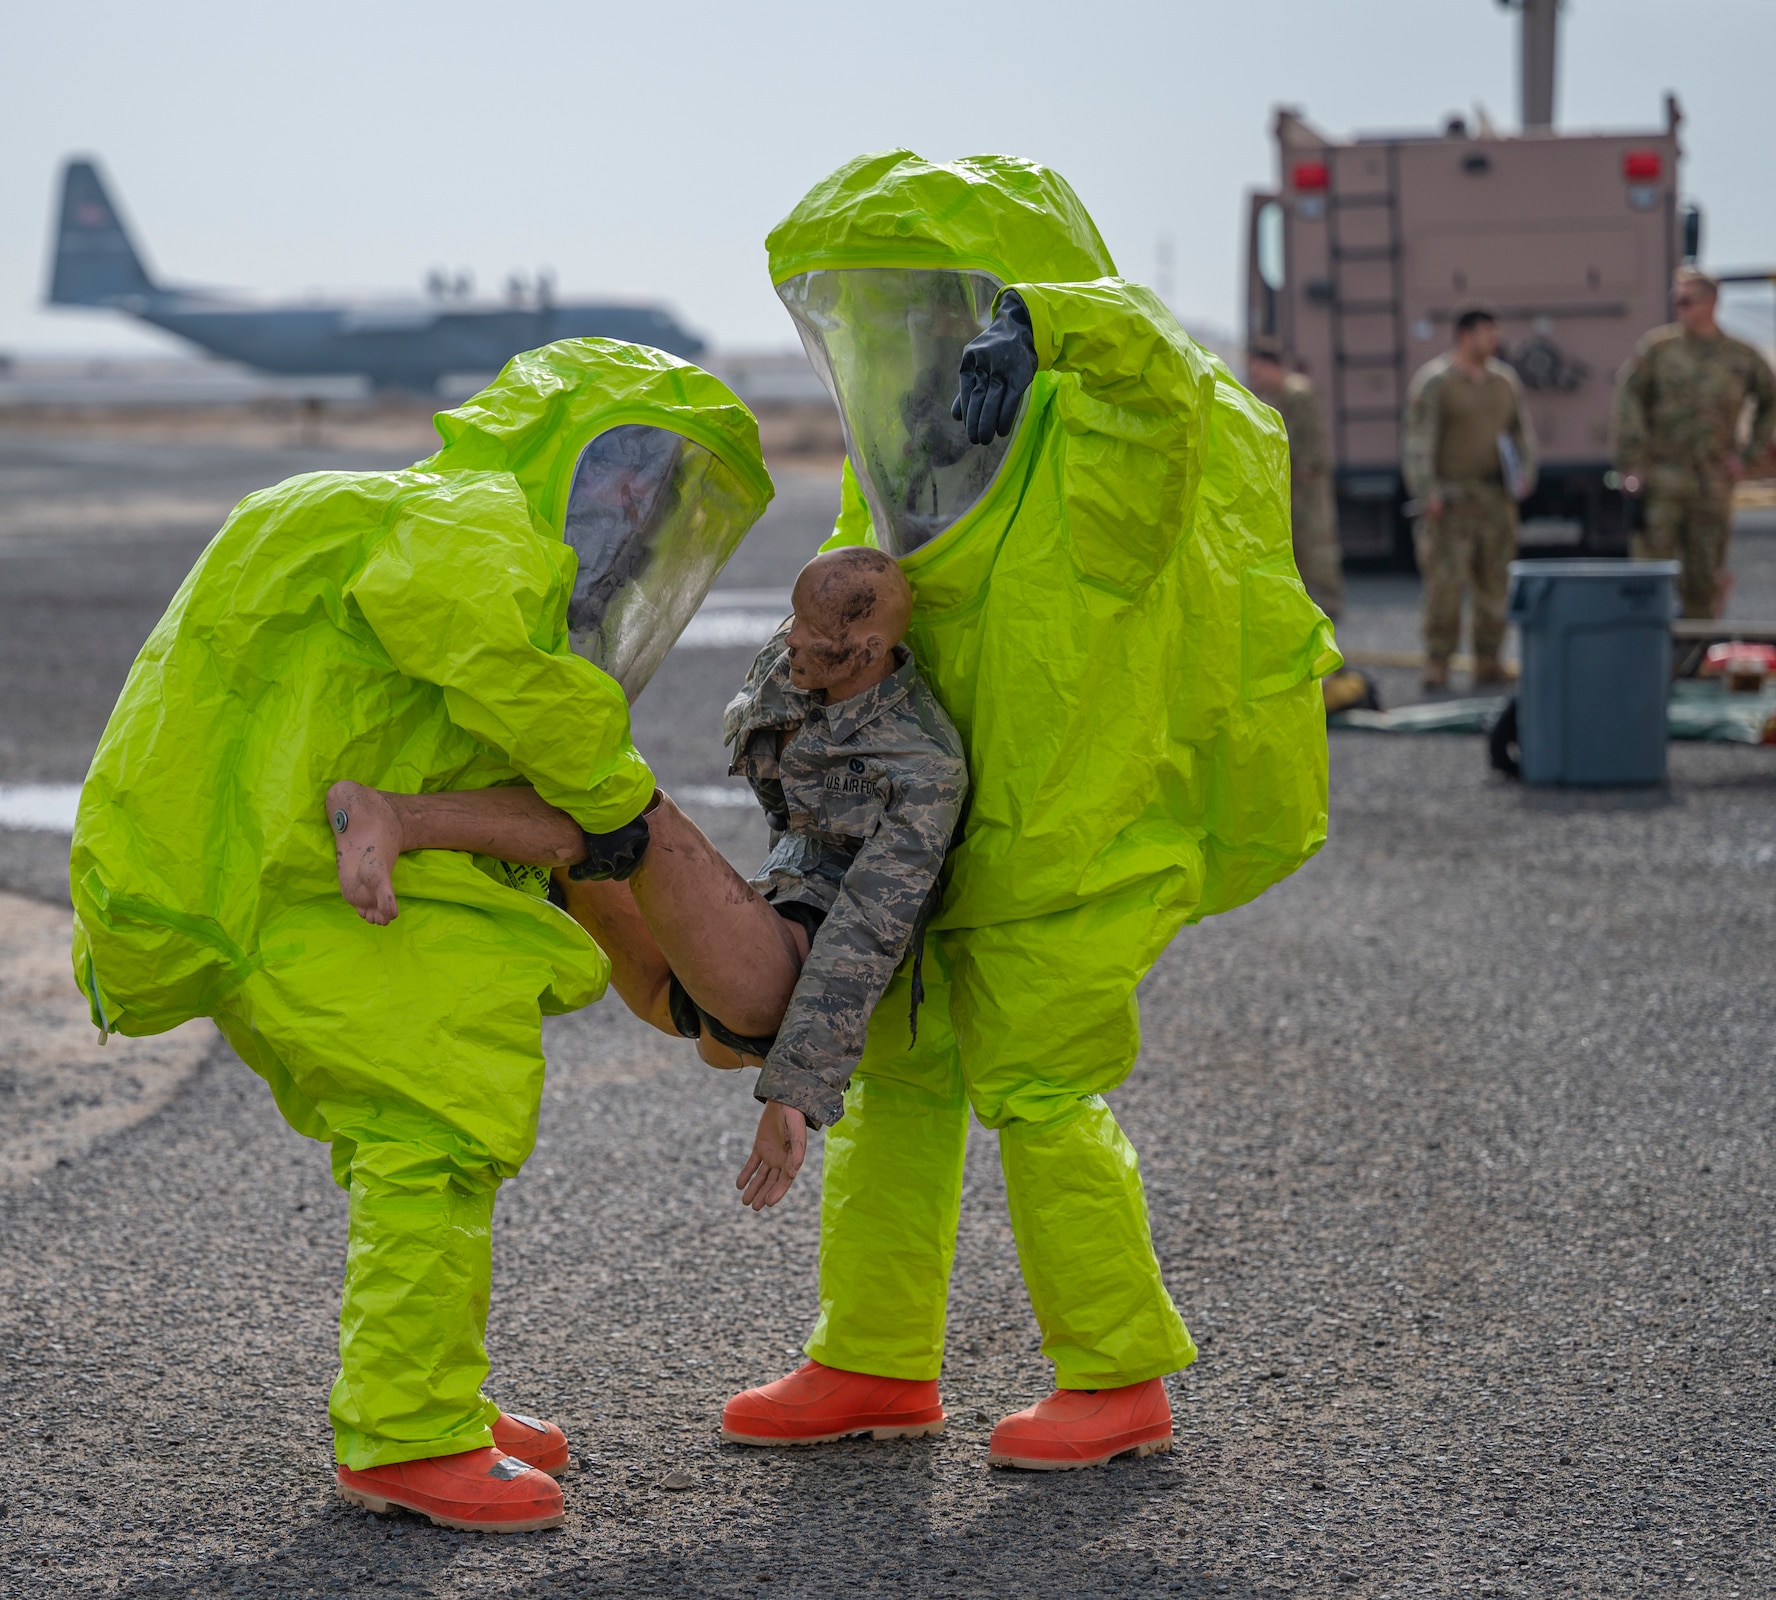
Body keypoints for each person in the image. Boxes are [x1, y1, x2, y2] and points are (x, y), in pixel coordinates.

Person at [68, 339, 773, 1534]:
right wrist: (611, 796)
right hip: (298, 874)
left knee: (424, 1132)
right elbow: (498, 662)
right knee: (434, 1119)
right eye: (630, 476)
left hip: (303, 862)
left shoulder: (437, 515)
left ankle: (432, 1391)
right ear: (574, 448)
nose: (634, 515)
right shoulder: (466, 522)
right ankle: (405, 1430)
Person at [716, 151, 1337, 1472]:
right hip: (927, 848)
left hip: (1063, 849)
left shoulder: (1101, 469)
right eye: (886, 317)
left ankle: (1117, 1379)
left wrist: (1058, 325)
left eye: (947, 310)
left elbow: (1161, 389)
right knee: (896, 1090)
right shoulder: (906, 474)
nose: (918, 343)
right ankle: (873, 1360)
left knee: (1043, 1094)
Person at [327, 546, 966, 1217]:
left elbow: (865, 939)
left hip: (783, 983)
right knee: (588, 820)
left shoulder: (923, 768)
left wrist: (794, 1092)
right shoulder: (798, 657)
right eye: (794, 617)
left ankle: (393, 816)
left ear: (866, 649)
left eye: (813, 631)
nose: (793, 637)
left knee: (627, 815)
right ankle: (392, 816)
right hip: (723, 961)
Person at [1614, 267, 1776, 619]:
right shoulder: (1658, 350)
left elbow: (1770, 402)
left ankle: (1697, 660)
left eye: (1687, 301)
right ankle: (1646, 653)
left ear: (1711, 304)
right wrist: (1632, 463)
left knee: (1705, 577)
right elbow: (1629, 400)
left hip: (1713, 481)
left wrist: (1747, 456)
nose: (1679, 308)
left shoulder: (1741, 356)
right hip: (1661, 479)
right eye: (1676, 300)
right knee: (1649, 575)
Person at [1401, 303, 1539, 692]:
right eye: (1487, 333)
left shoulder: (1503, 381)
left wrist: (1525, 476)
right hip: (1450, 503)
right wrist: (1426, 491)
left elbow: (1520, 434)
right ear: (1466, 335)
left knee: (1494, 587)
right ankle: (1438, 663)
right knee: (1445, 588)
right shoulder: (1436, 382)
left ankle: (1488, 662)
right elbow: (1418, 441)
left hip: (1495, 502)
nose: (1495, 339)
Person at [1247, 337, 1344, 619]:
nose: (1255, 378)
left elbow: (1310, 447)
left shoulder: (1297, 393)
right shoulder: (1274, 397)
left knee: (1317, 556)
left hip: (1306, 490)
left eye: (1258, 371)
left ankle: (1327, 618)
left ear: (1272, 366)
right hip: (1289, 490)